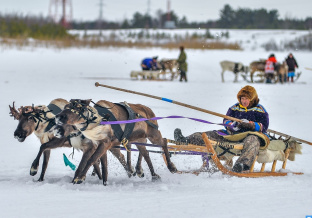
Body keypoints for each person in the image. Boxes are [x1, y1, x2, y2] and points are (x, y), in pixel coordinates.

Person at [174, 85, 270, 173]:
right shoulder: (234, 108)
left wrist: (252, 125)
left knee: (253, 141)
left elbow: (264, 126)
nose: (244, 101)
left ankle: (242, 165)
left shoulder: (260, 109)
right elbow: (226, 120)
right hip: (232, 134)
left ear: (252, 99)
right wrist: (232, 125)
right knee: (208, 135)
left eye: (247, 99)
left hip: (250, 135)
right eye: (242, 98)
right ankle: (186, 139)